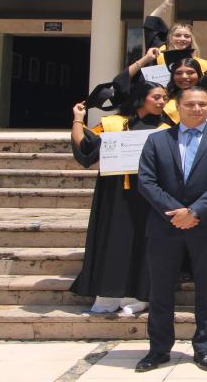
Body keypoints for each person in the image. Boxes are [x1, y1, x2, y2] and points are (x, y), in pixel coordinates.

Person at [134, 85, 207, 373]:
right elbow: (146, 181)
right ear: (177, 107)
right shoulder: (157, 140)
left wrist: (195, 212)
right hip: (164, 225)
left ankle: (204, 349)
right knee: (160, 290)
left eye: (203, 104)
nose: (197, 109)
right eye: (191, 104)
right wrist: (176, 212)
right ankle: (158, 350)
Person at [69, 81, 170, 315]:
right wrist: (78, 119)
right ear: (140, 98)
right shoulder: (113, 124)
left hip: (149, 193)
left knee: (143, 242)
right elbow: (85, 149)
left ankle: (137, 296)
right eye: (156, 97)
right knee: (112, 239)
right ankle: (107, 295)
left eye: (164, 98)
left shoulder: (166, 128)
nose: (162, 102)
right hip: (114, 192)